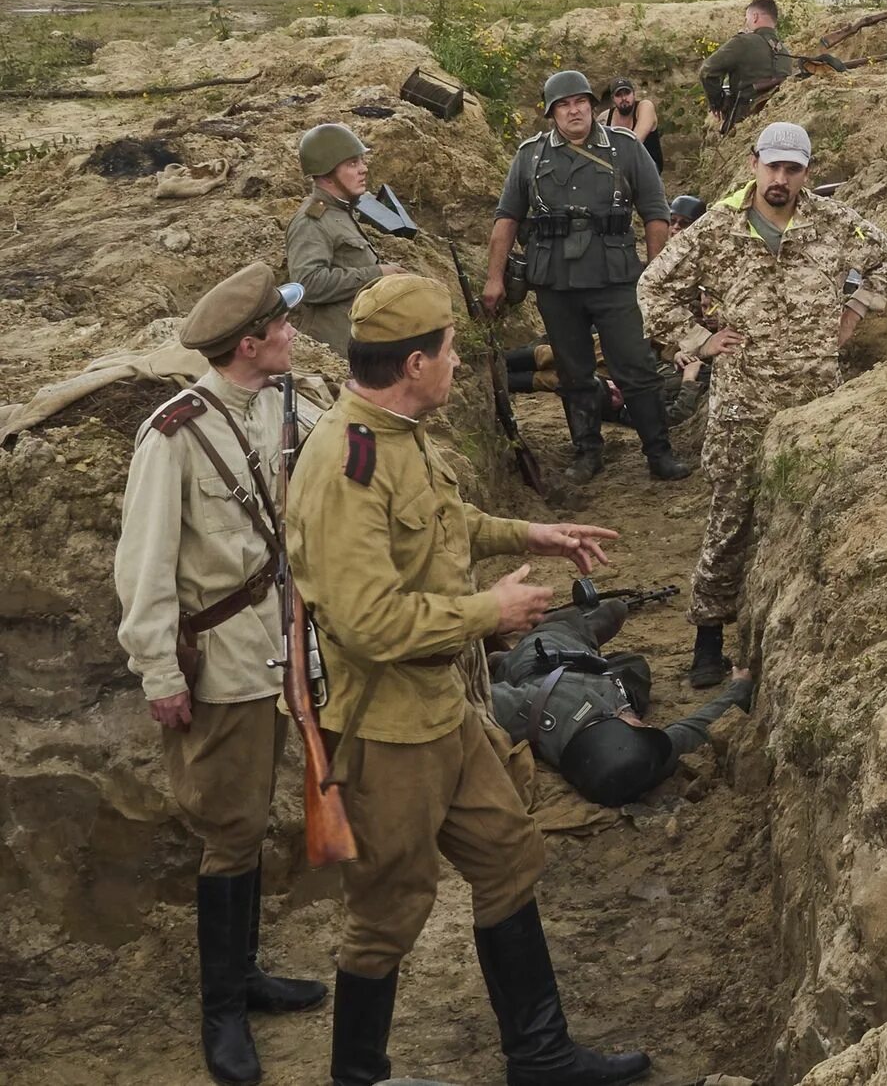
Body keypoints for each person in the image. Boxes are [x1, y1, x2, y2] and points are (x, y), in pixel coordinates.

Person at [287, 274, 647, 1086]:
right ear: (414, 362)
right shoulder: (348, 465)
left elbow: (446, 524)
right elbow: (368, 622)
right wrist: (489, 613)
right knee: (388, 910)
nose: (458, 360)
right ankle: (358, 1077)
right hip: (385, 731)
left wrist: (534, 533)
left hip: (443, 708)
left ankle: (541, 1056)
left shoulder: (404, 430)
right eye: (449, 348)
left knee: (509, 852)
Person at [114, 263, 324, 1086]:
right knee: (229, 833)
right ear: (250, 343)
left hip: (280, 652)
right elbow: (145, 566)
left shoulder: (282, 403)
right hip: (222, 668)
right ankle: (222, 1008)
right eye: (283, 325)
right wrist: (158, 670)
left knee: (253, 814)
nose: (294, 333)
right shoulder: (172, 435)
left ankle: (246, 975)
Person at [638, 121, 887, 686]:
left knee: (810, 518)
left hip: (815, 408)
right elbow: (654, 288)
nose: (780, 179)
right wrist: (699, 342)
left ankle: (792, 637)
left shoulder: (834, 224)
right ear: (754, 163)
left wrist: (853, 311)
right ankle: (709, 636)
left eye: (792, 169)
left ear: (807, 171)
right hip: (743, 404)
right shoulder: (717, 231)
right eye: (772, 167)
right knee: (731, 519)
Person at [484, 70, 691, 484]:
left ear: (593, 107)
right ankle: (587, 451)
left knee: (636, 366)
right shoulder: (530, 156)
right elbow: (506, 218)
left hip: (615, 279)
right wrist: (494, 279)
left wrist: (655, 275)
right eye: (563, 105)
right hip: (556, 282)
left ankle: (658, 452)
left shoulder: (626, 149)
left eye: (580, 101)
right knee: (573, 370)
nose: (573, 110)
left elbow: (655, 213)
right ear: (551, 114)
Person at [488, 597, 753, 808]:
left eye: (641, 727)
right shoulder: (635, 757)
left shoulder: (530, 708)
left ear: (617, 725)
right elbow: (696, 728)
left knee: (607, 612)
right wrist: (740, 689)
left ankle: (506, 658)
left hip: (547, 654)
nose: (648, 727)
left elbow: (472, 700)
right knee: (637, 666)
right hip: (609, 679)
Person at [286, 124, 401, 354]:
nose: (363, 169)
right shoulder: (312, 221)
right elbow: (307, 284)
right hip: (335, 350)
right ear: (327, 173)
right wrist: (376, 274)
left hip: (358, 340)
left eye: (361, 161)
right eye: (352, 163)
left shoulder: (340, 211)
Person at [698, 0, 798, 135]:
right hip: (777, 120)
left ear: (755, 17)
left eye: (747, 18)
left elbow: (707, 71)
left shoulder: (743, 42)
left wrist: (717, 103)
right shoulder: (784, 51)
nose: (746, 23)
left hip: (743, 122)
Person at [598, 78, 663, 170]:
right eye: (619, 95)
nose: (624, 98)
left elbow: (635, 141)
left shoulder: (644, 107)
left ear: (633, 94)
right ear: (613, 98)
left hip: (648, 170)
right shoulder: (604, 118)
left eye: (627, 93)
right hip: (619, 171)